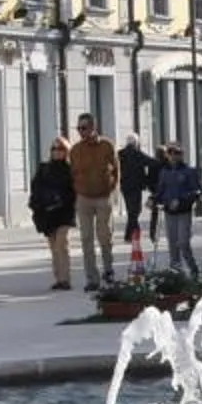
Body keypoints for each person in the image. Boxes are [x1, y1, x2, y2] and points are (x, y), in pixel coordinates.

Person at [69, 114, 122, 284]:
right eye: (79, 128)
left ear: (93, 128)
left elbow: (116, 169)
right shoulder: (76, 150)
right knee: (86, 238)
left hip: (103, 197)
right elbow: (72, 173)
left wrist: (112, 188)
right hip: (83, 197)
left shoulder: (106, 145)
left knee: (104, 235)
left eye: (84, 128)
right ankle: (92, 278)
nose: (81, 132)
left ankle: (108, 269)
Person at [30, 136, 79, 290]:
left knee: (61, 244)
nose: (56, 152)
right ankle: (58, 278)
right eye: (54, 149)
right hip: (48, 212)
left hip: (65, 211)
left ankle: (65, 279)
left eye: (60, 149)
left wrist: (62, 199)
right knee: (53, 246)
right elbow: (36, 187)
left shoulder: (71, 169)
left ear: (66, 151)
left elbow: (74, 190)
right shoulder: (44, 168)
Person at [154, 142, 202, 271]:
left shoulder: (189, 171)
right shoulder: (164, 172)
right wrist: (153, 199)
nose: (173, 156)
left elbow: (196, 191)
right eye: (170, 153)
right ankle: (176, 273)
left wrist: (181, 200)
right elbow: (160, 190)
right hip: (169, 211)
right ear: (167, 155)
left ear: (182, 155)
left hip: (183, 212)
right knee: (172, 244)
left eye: (177, 153)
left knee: (183, 242)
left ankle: (193, 269)